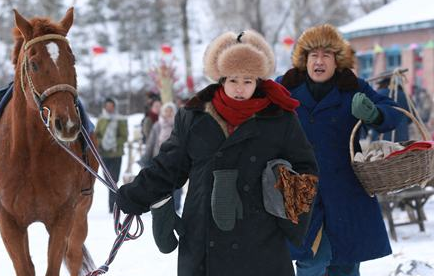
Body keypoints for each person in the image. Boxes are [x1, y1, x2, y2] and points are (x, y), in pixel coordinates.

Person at [116, 30, 319, 276]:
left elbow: (306, 169)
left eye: (247, 80)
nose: (240, 88)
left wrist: (284, 197)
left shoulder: (280, 118)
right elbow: (169, 167)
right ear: (221, 79)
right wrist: (135, 195)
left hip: (261, 240)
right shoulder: (194, 116)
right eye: (233, 80)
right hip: (203, 239)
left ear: (258, 81)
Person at [275, 24, 403, 276]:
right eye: (313, 55)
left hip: (346, 191)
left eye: (326, 55)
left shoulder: (352, 87)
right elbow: (254, 106)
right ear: (305, 60)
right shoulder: (285, 87)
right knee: (311, 261)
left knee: (345, 263)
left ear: (337, 61)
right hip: (302, 191)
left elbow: (394, 114)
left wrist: (375, 113)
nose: (319, 61)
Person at [95, 98, 128, 213]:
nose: (109, 108)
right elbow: (96, 134)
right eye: (107, 106)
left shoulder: (121, 120)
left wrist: (113, 143)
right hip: (104, 154)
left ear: (114, 107)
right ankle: (113, 205)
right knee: (108, 180)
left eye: (111, 106)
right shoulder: (101, 119)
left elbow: (124, 137)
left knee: (114, 179)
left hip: (116, 154)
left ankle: (114, 206)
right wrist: (101, 143)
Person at [370, 74, 410, 142]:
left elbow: (370, 116)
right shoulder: (405, 96)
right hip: (402, 139)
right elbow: (411, 117)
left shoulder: (377, 94)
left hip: (381, 138)